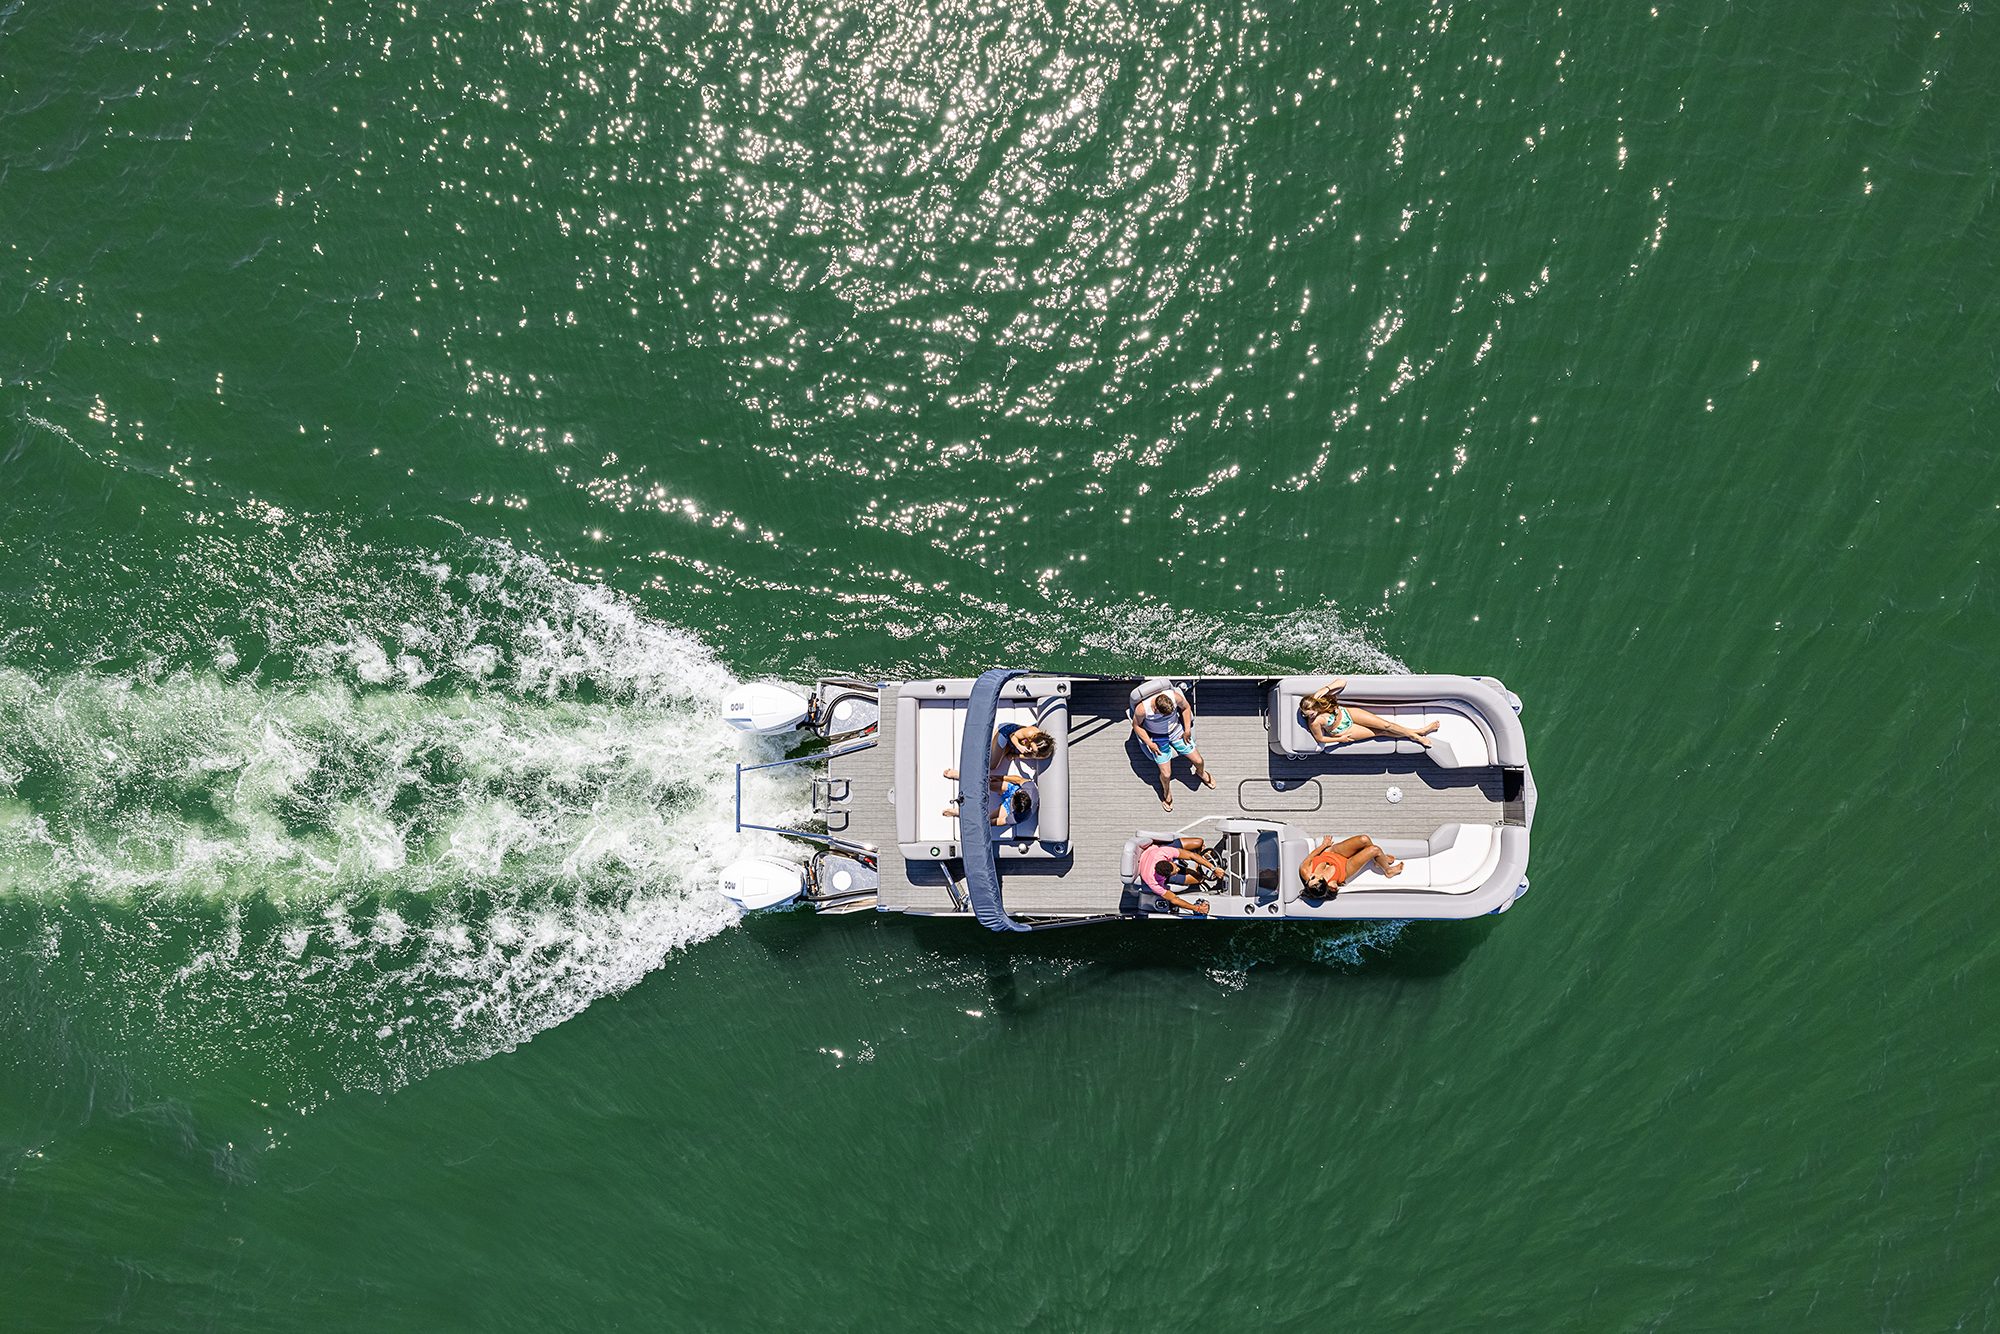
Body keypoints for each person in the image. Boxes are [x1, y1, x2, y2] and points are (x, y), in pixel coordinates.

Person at [1130, 686, 1214, 811]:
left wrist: (1187, 730)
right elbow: (1136, 726)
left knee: (1199, 761)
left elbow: (1186, 708)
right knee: (1166, 774)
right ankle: (1167, 792)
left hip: (1177, 732)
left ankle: (1200, 772)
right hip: (1157, 738)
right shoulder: (1142, 709)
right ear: (1156, 708)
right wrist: (1149, 743)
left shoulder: (1174, 697)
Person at [1298, 678, 1441, 748]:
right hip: (1342, 730)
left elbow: (1342, 682)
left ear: (1316, 706)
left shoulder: (1320, 699)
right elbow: (1321, 739)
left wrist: (1326, 689)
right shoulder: (1314, 723)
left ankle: (1417, 732)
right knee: (1381, 732)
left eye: (1309, 713)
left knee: (1386, 725)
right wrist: (1339, 740)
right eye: (1306, 715)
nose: (1308, 717)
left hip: (1347, 714)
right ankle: (1417, 736)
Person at [943, 721, 1056, 785]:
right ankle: (962, 774)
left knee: (994, 765)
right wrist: (1019, 746)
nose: (1031, 750)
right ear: (1034, 738)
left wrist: (1016, 755)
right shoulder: (1031, 732)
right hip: (1007, 734)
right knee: (992, 765)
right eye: (1031, 747)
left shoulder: (1043, 753)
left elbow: (1031, 755)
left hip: (1013, 746)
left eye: (1034, 751)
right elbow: (1013, 735)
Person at [1298, 834, 1403, 897]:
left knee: (1364, 839)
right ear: (1323, 880)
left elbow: (1312, 855)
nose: (1310, 876)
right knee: (1374, 850)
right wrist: (1334, 888)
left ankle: (1379, 859)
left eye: (1309, 880)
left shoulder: (1305, 870)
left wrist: (1324, 844)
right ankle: (1388, 870)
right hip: (1345, 868)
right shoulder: (1331, 885)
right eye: (1313, 878)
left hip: (1333, 853)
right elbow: (1331, 891)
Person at [1134, 836, 1216, 916]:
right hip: (1152, 871)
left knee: (1199, 842)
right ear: (1167, 876)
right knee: (1199, 879)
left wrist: (1213, 868)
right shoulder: (1154, 884)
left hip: (1156, 851)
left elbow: (1190, 855)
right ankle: (1199, 863)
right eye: (1175, 871)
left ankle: (1199, 860)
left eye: (1175, 867)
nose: (1178, 869)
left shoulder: (1162, 853)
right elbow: (1174, 899)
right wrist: (1197, 908)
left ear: (1168, 861)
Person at [941, 775, 1038, 830]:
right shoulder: (1030, 787)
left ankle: (960, 813)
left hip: (1008, 808)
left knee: (986, 817)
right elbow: (1017, 779)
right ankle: (962, 776)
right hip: (1013, 790)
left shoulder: (1018, 817)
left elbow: (996, 822)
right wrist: (1000, 778)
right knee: (988, 784)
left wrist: (983, 822)